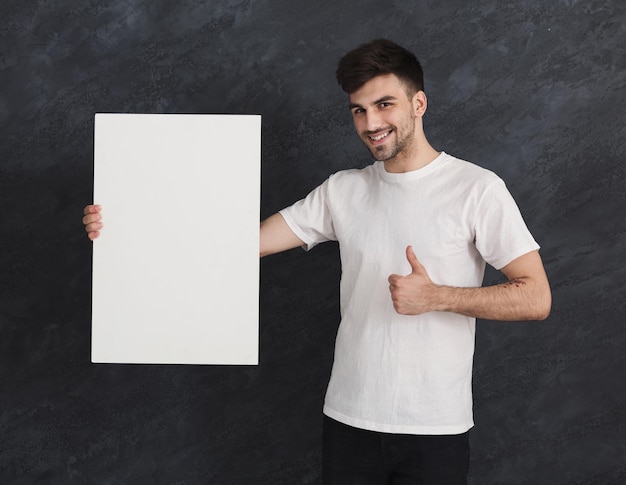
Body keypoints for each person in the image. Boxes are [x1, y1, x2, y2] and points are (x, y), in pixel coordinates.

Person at [84, 39, 551, 484]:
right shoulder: (344, 189)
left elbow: (535, 297)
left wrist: (436, 296)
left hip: (435, 428)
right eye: (359, 110)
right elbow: (237, 243)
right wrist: (123, 229)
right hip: (348, 420)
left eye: (384, 104)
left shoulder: (477, 188)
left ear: (418, 104)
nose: (371, 123)